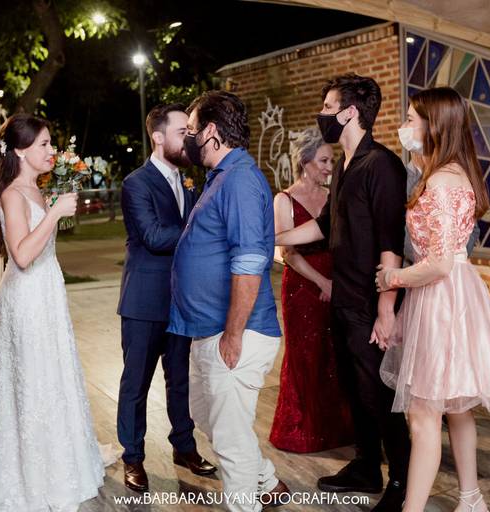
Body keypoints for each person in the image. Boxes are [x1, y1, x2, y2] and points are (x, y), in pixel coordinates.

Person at [377, 87, 490, 512]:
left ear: (434, 125)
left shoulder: (441, 182)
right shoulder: (456, 172)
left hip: (441, 296)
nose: (404, 127)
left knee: (423, 416)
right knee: (457, 407)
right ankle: (471, 498)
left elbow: (439, 263)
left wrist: (392, 277)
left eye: (410, 119)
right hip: (450, 294)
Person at [275, 74, 411, 512]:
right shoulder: (346, 166)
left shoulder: (381, 165)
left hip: (371, 302)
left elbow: (391, 242)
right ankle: (366, 466)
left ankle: (403, 482)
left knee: (380, 394)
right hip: (344, 299)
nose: (324, 114)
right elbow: (326, 227)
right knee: (355, 390)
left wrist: (386, 310)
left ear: (351, 112)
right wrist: (271, 237)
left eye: (329, 107)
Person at [0, 114, 105, 511]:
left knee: (53, 379)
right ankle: (33, 477)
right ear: (21, 150)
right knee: (33, 382)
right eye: (44, 144)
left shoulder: (36, 189)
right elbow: (23, 255)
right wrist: (56, 213)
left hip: (47, 295)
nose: (52, 151)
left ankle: (59, 467)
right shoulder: (13, 194)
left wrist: (53, 208)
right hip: (27, 300)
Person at [168, 91, 289, 512]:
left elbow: (250, 262)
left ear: (211, 131)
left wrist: (233, 334)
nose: (188, 138)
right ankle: (266, 481)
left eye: (191, 129)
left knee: (231, 444)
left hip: (236, 333)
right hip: (207, 330)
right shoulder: (220, 177)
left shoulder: (239, 179)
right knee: (208, 417)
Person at [117, 103, 216, 493]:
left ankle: (184, 447)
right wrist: (203, 227)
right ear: (158, 137)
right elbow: (154, 237)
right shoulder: (136, 183)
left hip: (181, 300)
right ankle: (133, 457)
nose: (188, 138)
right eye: (181, 132)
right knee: (136, 384)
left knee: (180, 380)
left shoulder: (191, 180)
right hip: (144, 302)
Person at [269, 127, 353, 453]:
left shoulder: (333, 195)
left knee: (335, 354)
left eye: (331, 161)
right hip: (303, 286)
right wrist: (322, 282)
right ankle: (305, 429)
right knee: (306, 355)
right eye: (324, 161)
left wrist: (338, 282)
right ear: (305, 162)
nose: (330, 167)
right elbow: (288, 253)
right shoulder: (284, 200)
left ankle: (339, 427)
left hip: (337, 281)